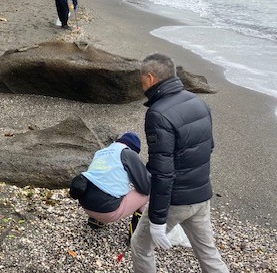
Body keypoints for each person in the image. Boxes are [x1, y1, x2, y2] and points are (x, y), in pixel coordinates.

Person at [131, 53, 229, 273]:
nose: (141, 84)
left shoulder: (158, 114)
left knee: (140, 245)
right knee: (208, 252)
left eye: (142, 79)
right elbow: (208, 147)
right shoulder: (199, 102)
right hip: (201, 195)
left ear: (151, 78)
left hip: (175, 201)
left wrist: (157, 221)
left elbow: (162, 172)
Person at [71, 132, 150, 235]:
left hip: (86, 205)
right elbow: (146, 186)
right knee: (147, 193)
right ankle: (136, 237)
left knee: (102, 182)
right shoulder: (129, 154)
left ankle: (95, 221)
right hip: (107, 212)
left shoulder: (101, 152)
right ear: (134, 149)